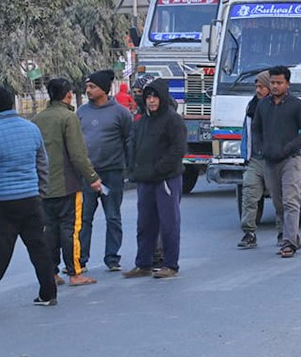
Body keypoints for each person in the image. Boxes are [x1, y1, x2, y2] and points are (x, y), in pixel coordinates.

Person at [0, 86, 58, 310]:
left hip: (1, 203)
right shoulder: (32, 129)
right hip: (30, 199)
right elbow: (43, 164)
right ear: (11, 103)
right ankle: (48, 294)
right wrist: (40, 191)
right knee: (39, 248)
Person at [33, 78, 102, 287]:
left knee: (49, 230)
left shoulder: (38, 119)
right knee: (70, 229)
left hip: (43, 186)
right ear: (68, 94)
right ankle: (75, 273)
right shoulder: (68, 117)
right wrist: (93, 178)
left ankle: (52, 272)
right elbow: (78, 155)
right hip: (67, 184)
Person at [123, 78, 187, 279]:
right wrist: (133, 168)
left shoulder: (173, 120)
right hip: (145, 180)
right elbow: (134, 145)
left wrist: (158, 169)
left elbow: (177, 150)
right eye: (148, 96)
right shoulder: (143, 120)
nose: (151, 101)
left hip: (166, 179)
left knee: (169, 223)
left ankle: (170, 264)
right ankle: (143, 263)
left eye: (155, 97)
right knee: (145, 223)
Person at [251, 65, 301, 258]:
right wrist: (261, 147)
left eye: (279, 83)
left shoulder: (297, 105)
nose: (275, 86)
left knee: (290, 201)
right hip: (269, 161)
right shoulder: (263, 105)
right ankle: (292, 235)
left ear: (288, 84)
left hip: (290, 160)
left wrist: (289, 147)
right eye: (273, 82)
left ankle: (288, 243)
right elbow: (256, 129)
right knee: (278, 203)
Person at [77, 69, 134, 272]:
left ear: (103, 89)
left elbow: (129, 141)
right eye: (87, 86)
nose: (88, 90)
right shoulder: (81, 112)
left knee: (112, 216)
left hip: (112, 172)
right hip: (88, 174)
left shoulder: (121, 113)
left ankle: (112, 258)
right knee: (84, 218)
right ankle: (80, 259)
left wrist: (129, 168)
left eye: (92, 87)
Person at [237, 71, 281, 249]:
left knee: (280, 198)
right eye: (256, 87)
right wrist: (245, 156)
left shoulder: (280, 106)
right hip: (255, 159)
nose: (258, 90)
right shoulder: (252, 106)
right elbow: (246, 132)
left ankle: (284, 233)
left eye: (261, 86)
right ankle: (249, 233)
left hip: (275, 159)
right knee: (249, 194)